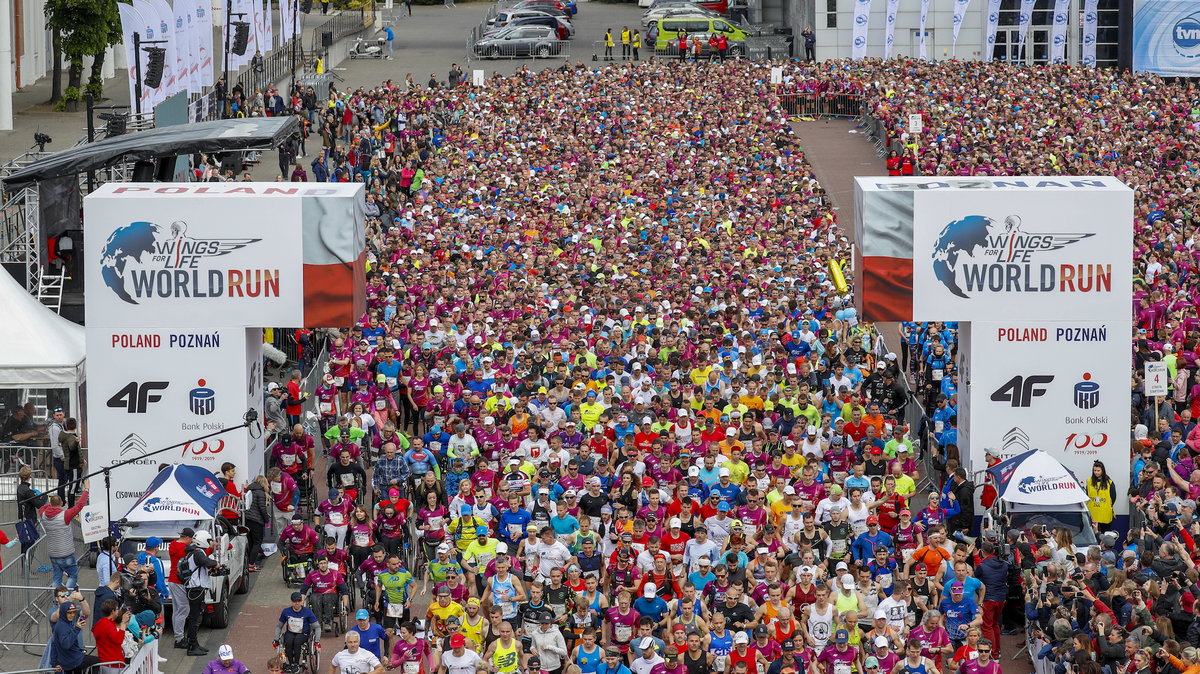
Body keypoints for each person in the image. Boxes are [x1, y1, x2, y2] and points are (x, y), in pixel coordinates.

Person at [38, 479, 89, 589]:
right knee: (73, 576)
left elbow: (42, 507)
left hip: (53, 554)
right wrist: (86, 490)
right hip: (66, 553)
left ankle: (56, 602)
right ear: (61, 503)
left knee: (57, 578)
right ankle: (65, 597)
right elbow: (79, 505)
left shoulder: (43, 514)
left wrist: (50, 505)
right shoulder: (65, 514)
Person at [181, 529, 225, 655]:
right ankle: (192, 647)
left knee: (196, 617)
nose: (211, 543)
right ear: (203, 540)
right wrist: (216, 563)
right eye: (209, 540)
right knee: (195, 618)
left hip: (195, 588)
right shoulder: (198, 553)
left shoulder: (195, 552)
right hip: (195, 589)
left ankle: (195, 644)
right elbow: (207, 562)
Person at [51, 601, 99, 674]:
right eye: (69, 613)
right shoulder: (62, 626)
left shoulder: (63, 623)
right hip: (73, 661)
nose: (72, 615)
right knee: (97, 661)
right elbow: (66, 645)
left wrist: (55, 663)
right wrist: (77, 628)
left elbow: (54, 644)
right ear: (64, 613)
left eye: (74, 612)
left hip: (70, 660)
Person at [278, 591, 321, 670]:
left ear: (302, 601)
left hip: (303, 633)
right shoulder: (286, 611)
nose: (297, 603)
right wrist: (276, 638)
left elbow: (317, 627)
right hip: (290, 632)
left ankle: (297, 663)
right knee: (288, 641)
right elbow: (279, 626)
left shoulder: (307, 612)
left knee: (297, 642)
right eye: (294, 601)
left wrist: (317, 642)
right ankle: (291, 663)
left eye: (299, 601)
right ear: (291, 602)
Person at [92, 600, 130, 670]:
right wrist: (123, 623)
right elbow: (118, 640)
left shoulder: (100, 623)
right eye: (117, 609)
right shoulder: (108, 625)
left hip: (105, 661)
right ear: (113, 611)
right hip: (113, 663)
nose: (118, 611)